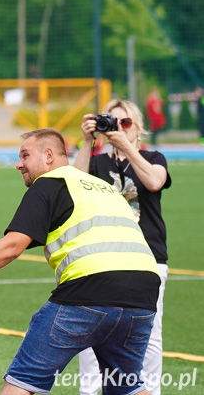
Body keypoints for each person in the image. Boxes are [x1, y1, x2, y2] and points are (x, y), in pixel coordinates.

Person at [0, 128, 160, 395]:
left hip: (89, 292)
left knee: (24, 381)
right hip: (143, 296)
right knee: (126, 387)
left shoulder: (50, 183)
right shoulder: (103, 187)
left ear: (49, 156)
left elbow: (12, 246)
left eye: (25, 155)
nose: (18, 164)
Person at [74, 100, 171, 395]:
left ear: (138, 127)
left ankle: (150, 391)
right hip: (102, 259)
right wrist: (87, 141)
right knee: (92, 331)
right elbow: (71, 186)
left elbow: (154, 182)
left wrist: (127, 148)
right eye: (111, 122)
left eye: (125, 123)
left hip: (148, 259)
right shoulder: (96, 162)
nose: (118, 128)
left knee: (149, 333)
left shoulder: (153, 157)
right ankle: (91, 391)